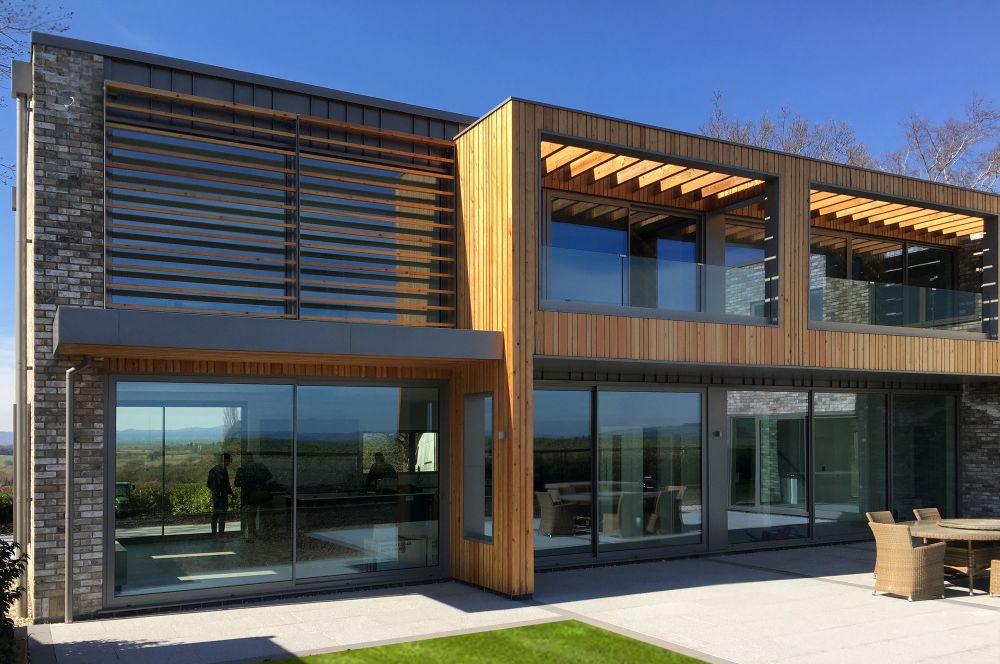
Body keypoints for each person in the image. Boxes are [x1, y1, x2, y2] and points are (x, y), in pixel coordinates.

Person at [234, 451, 273, 542]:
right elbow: (269, 476)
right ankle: (265, 535)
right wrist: (259, 481)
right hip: (262, 495)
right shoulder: (260, 466)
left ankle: (251, 536)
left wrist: (246, 482)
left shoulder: (242, 469)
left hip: (249, 497)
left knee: (250, 518)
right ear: (252, 458)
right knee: (264, 516)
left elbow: (236, 483)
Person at [206, 452, 233, 539]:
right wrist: (228, 493)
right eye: (228, 461)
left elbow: (209, 484)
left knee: (215, 516)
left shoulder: (214, 470)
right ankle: (221, 536)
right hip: (222, 497)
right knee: (222, 516)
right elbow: (226, 484)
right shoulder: (222, 470)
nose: (229, 463)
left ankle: (214, 535)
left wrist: (216, 493)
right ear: (225, 460)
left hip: (216, 497)